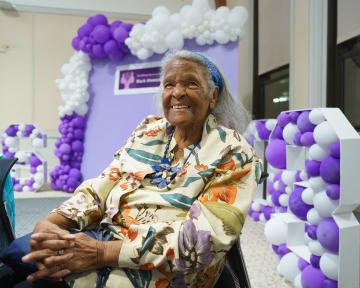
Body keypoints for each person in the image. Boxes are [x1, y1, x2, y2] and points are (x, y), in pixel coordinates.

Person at [4, 50, 262, 287]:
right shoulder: (150, 129)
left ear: (213, 96)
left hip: (165, 271)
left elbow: (200, 242)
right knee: (16, 265)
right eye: (169, 84)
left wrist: (101, 253)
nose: (177, 92)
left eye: (191, 83)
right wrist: (54, 221)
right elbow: (104, 183)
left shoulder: (233, 151)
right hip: (104, 237)